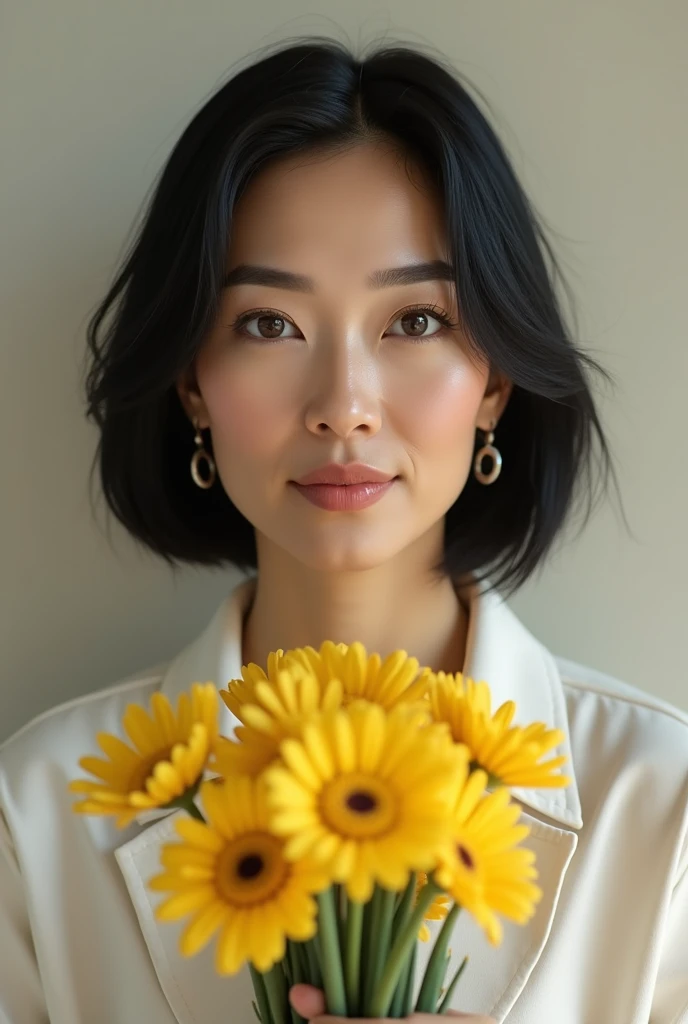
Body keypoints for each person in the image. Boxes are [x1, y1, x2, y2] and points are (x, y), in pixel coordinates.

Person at [1, 34, 687, 1024]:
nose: (344, 406)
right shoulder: (38, 811)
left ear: (492, 382)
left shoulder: (660, 806)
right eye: (268, 324)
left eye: (413, 322)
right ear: (193, 384)